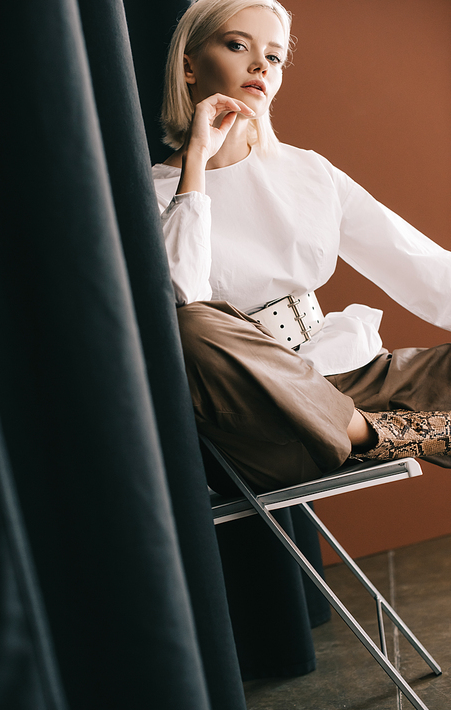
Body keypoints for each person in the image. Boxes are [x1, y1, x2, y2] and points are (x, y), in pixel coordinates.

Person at [152, 0, 451, 495]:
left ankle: (371, 430)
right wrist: (197, 161)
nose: (258, 66)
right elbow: (184, 299)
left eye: (273, 57)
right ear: (188, 65)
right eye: (236, 45)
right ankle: (370, 433)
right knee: (191, 324)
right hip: (268, 426)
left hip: (356, 381)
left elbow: (421, 266)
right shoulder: (154, 194)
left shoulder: (308, 171)